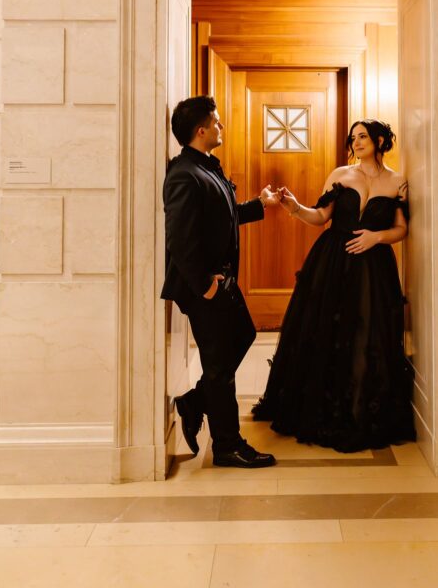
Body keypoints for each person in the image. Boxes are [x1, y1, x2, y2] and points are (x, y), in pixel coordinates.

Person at [252, 119, 416, 453]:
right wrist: (294, 207)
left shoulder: (397, 181)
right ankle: (324, 408)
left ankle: (360, 408)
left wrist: (377, 237)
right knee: (328, 331)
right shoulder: (340, 175)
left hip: (374, 267)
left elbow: (401, 229)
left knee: (367, 333)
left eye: (363, 136)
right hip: (333, 263)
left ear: (380, 140)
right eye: (353, 138)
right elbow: (319, 217)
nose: (356, 142)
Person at [161, 95, 281, 468]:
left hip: (223, 283)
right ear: (201, 130)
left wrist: (259, 204)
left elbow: (223, 218)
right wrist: (204, 286)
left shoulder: (206, 167)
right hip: (206, 287)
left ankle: (195, 401)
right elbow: (179, 239)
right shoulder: (183, 173)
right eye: (217, 121)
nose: (221, 126)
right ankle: (227, 445)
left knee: (243, 335)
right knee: (217, 366)